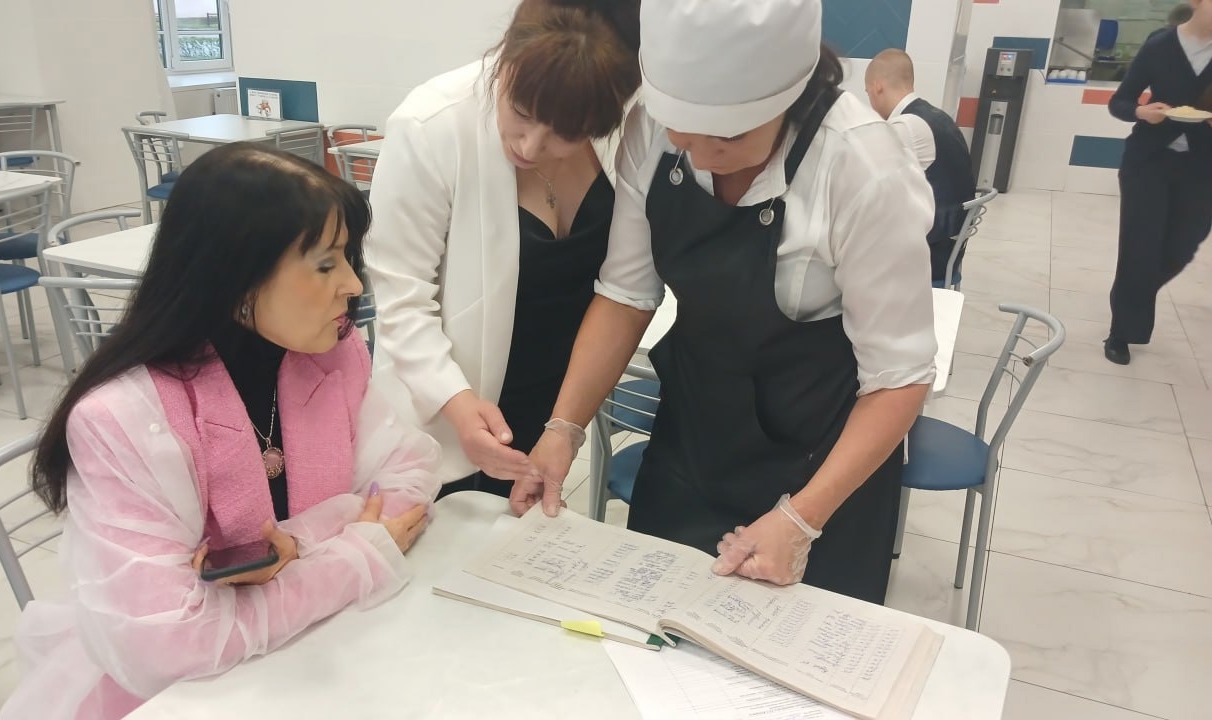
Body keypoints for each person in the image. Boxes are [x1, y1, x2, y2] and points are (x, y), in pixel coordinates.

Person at [512, 0, 937, 605]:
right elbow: (626, 294)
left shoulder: (864, 168)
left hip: (823, 464)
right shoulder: (649, 126)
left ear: (788, 98)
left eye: (730, 136)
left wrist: (801, 519)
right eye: (683, 132)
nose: (701, 156)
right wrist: (564, 428)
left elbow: (900, 377)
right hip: (691, 442)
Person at [1, 144, 441, 720]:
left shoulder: (332, 353)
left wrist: (299, 553)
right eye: (326, 264)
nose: (354, 284)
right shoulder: (125, 417)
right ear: (236, 275)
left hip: (326, 657)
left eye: (348, 258)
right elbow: (167, 643)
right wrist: (354, 554)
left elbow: (409, 476)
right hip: (185, 697)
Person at [367, 0, 642, 497]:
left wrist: (565, 424)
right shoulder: (431, 125)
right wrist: (455, 402)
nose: (531, 147)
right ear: (506, 58)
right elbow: (402, 301)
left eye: (565, 135)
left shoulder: (624, 126)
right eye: (521, 112)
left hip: (557, 404)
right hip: (447, 408)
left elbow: (624, 286)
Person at [1105, 0, 1212, 365]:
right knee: (1139, 248)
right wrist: (1141, 112)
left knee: (1182, 247)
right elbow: (1120, 102)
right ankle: (1121, 331)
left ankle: (1132, 295)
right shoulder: (1160, 45)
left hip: (1202, 167)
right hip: (1148, 162)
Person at [865, 49, 977, 287]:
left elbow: (868, 183)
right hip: (949, 245)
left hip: (929, 257)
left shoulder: (905, 126)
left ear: (877, 87)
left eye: (867, 93)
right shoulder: (938, 117)